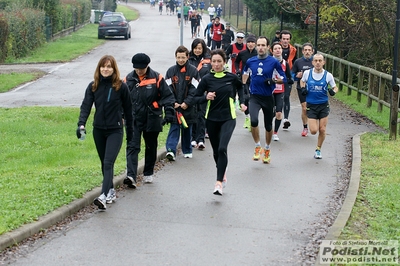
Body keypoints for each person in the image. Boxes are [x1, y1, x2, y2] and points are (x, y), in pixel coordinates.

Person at [77, 55, 133, 210]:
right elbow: (86, 106)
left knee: (108, 162)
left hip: (115, 130)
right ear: (99, 68)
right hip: (99, 130)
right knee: (104, 163)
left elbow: (129, 112)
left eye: (109, 67)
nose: (106, 69)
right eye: (103, 66)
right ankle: (111, 191)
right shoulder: (93, 86)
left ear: (114, 69)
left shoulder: (121, 87)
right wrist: (81, 124)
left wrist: (131, 133)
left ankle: (103, 195)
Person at [195, 49, 246, 196]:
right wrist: (206, 97)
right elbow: (195, 98)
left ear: (224, 62)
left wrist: (242, 102)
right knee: (216, 151)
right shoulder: (206, 79)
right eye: (214, 61)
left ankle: (218, 183)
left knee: (223, 148)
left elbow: (241, 88)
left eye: (219, 61)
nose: (216, 64)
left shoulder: (232, 78)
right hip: (211, 118)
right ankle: (222, 169)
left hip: (228, 118)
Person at [124, 53, 175, 188]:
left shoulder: (157, 78)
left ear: (147, 66)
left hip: (152, 117)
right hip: (134, 119)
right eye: (137, 68)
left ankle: (148, 172)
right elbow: (121, 100)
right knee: (132, 146)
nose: (139, 71)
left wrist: (169, 112)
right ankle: (131, 176)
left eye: (142, 68)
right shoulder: (128, 79)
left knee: (150, 146)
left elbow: (168, 97)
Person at [242, 37, 286, 164]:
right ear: (256, 47)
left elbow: (284, 78)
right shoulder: (250, 61)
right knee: (254, 120)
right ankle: (257, 146)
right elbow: (244, 74)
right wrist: (243, 89)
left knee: (268, 125)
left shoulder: (273, 62)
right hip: (254, 96)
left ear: (268, 47)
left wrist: (273, 81)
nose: (260, 47)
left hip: (268, 97)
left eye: (263, 45)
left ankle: (267, 148)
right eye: (258, 45)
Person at [165, 46, 200, 161]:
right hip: (175, 107)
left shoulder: (193, 71)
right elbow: (167, 88)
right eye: (178, 57)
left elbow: (195, 89)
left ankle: (187, 150)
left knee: (187, 128)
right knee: (174, 128)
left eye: (183, 57)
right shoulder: (170, 71)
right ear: (175, 57)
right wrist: (173, 102)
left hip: (188, 107)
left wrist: (187, 102)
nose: (180, 60)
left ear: (187, 57)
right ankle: (170, 150)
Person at [300, 53, 337, 159]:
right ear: (312, 62)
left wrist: (333, 91)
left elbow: (335, 87)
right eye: (315, 61)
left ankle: (318, 149)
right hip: (311, 105)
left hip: (323, 105)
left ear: (323, 62)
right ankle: (311, 130)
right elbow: (302, 81)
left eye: (320, 61)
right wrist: (303, 88)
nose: (318, 63)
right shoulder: (307, 73)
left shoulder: (328, 75)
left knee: (322, 129)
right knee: (313, 131)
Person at [188, 38, 212, 149]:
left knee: (202, 114)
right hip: (192, 92)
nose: (197, 50)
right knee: (193, 115)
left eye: (199, 48)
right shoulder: (188, 59)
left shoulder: (208, 61)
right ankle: (193, 138)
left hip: (203, 92)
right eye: (195, 48)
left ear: (203, 49)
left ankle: (201, 139)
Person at [270, 42, 294, 141]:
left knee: (279, 113)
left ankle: (275, 132)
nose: (278, 50)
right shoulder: (268, 62)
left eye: (279, 48)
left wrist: (290, 80)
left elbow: (288, 76)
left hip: (280, 91)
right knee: (270, 113)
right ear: (272, 50)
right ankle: (268, 129)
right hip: (269, 91)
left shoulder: (285, 63)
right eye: (275, 48)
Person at [291, 43, 314, 136]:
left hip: (314, 88)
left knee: (312, 108)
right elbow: (292, 75)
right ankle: (305, 127)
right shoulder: (298, 62)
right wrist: (297, 76)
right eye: (306, 50)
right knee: (304, 108)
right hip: (302, 87)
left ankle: (313, 124)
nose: (307, 52)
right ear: (303, 51)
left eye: (309, 50)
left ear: (312, 52)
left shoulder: (316, 61)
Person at [235, 34, 257, 129]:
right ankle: (248, 117)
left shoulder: (258, 54)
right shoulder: (242, 53)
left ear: (255, 44)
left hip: (256, 79)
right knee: (246, 98)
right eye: (249, 42)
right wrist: (237, 70)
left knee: (254, 99)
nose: (250, 44)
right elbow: (236, 62)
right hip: (245, 79)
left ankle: (253, 118)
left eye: (252, 42)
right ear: (246, 43)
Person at [279, 30, 297, 130]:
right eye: (284, 39)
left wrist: (292, 74)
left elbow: (295, 62)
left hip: (287, 76)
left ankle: (285, 119)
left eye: (287, 39)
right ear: (280, 39)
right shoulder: (275, 49)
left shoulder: (293, 50)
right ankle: (276, 115)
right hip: (276, 76)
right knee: (276, 97)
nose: (285, 41)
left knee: (286, 96)